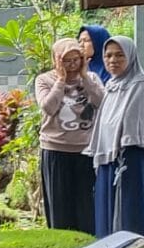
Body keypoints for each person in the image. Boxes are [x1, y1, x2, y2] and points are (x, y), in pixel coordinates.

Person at [87, 36, 144, 248]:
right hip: (109, 158)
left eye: (119, 55)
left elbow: (132, 125)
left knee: (130, 213)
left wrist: (119, 148)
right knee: (108, 211)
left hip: (129, 158)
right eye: (108, 55)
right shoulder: (112, 86)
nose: (112, 60)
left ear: (130, 57)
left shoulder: (140, 85)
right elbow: (105, 126)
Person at [33, 39, 104, 233]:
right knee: (60, 210)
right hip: (56, 150)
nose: (72, 65)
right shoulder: (44, 80)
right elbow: (48, 107)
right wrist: (61, 80)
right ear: (56, 59)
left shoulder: (92, 78)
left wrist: (85, 78)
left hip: (86, 151)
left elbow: (102, 102)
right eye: (67, 60)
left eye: (76, 60)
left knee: (87, 210)